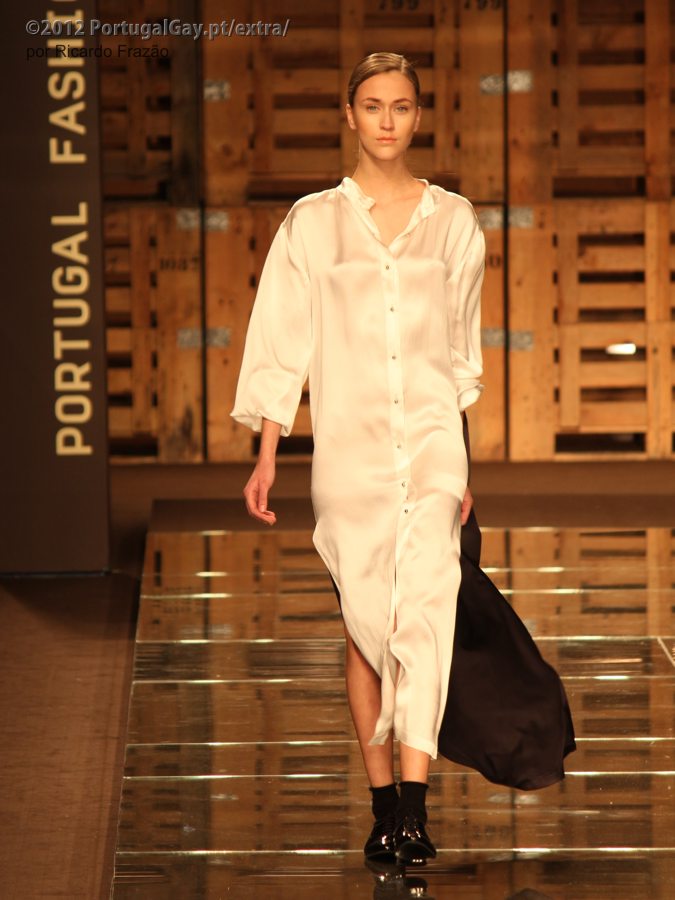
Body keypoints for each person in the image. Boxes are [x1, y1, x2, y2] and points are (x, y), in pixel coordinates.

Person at [229, 51, 486, 866]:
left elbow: (459, 353)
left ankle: (413, 808)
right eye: (372, 105)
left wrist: (464, 468)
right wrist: (267, 454)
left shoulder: (453, 221)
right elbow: (281, 342)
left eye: (400, 106)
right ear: (349, 115)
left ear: (418, 116)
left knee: (427, 612)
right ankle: (380, 806)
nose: (386, 120)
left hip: (433, 444)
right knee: (366, 625)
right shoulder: (311, 223)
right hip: (347, 449)